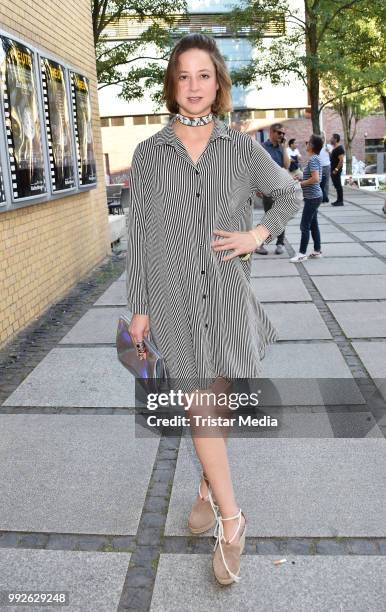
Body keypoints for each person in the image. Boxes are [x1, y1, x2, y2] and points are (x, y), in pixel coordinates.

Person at [126, 33, 302, 585]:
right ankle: (233, 522)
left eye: (204, 75)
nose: (194, 86)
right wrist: (139, 306)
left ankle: (207, 484)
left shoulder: (240, 148)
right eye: (184, 76)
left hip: (227, 299)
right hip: (172, 303)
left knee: (215, 407)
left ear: (218, 83)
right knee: (202, 407)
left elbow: (290, 195)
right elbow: (139, 235)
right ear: (172, 85)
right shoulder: (150, 152)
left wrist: (256, 234)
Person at [255, 123, 292, 255]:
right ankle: (259, 243)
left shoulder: (282, 148)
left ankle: (280, 243)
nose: (281, 135)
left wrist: (285, 147)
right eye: (278, 133)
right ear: (271, 133)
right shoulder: (263, 147)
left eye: (283, 133)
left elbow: (287, 165)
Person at [290, 134, 324, 262]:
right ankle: (317, 250)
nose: (306, 143)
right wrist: (301, 178)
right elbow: (314, 177)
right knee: (313, 225)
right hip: (314, 196)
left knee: (304, 225)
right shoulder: (315, 158)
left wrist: (300, 183)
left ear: (312, 146)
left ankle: (302, 253)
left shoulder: (313, 159)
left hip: (313, 198)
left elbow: (315, 179)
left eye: (308, 142)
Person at [330, 133, 345, 206]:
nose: (330, 139)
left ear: (335, 139)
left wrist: (336, 169)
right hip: (333, 170)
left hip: (336, 171)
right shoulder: (335, 148)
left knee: (338, 185)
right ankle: (338, 200)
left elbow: (341, 160)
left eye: (332, 138)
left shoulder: (339, 148)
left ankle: (340, 201)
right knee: (336, 185)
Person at [319, 133, 331, 203]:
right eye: (321, 138)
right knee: (319, 182)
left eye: (323, 138)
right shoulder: (317, 147)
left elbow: (332, 155)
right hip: (319, 166)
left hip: (326, 166)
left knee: (326, 183)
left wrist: (328, 151)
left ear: (325, 139)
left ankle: (326, 197)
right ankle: (320, 197)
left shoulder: (328, 146)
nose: (322, 139)